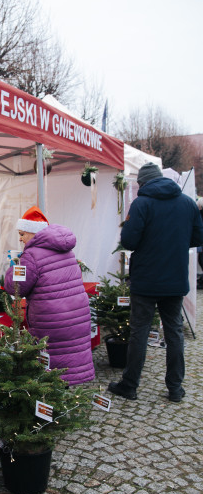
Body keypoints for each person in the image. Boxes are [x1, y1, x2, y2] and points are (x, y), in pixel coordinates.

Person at [108, 162, 203, 403]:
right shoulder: (187, 203)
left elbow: (129, 241)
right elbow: (197, 237)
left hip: (146, 280)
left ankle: (130, 385)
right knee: (174, 332)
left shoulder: (141, 203)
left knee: (139, 332)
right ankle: (175, 388)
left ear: (142, 183)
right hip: (175, 279)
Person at [4, 206, 94, 385]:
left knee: (52, 371)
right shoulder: (66, 250)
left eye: (22, 234)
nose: (20, 238)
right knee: (70, 359)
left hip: (52, 321)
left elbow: (16, 287)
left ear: (33, 233)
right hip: (76, 315)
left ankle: (53, 399)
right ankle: (68, 397)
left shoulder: (31, 255)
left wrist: (13, 267)